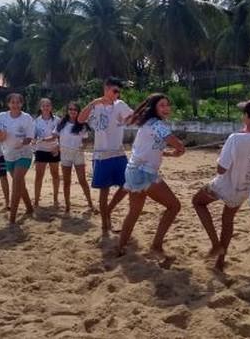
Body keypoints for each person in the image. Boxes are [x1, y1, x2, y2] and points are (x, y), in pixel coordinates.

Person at [192, 99, 250, 271]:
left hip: (225, 185)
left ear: (247, 116)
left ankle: (216, 244)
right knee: (227, 220)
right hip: (245, 188)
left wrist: (224, 152)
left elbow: (221, 169)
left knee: (197, 202)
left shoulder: (235, 138)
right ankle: (220, 262)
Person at [117, 94, 184, 256]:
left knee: (134, 212)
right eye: (162, 105)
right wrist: (180, 149)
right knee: (174, 206)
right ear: (154, 108)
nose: (166, 108)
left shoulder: (147, 124)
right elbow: (177, 144)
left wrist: (171, 153)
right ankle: (156, 245)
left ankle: (120, 247)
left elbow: (151, 148)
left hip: (133, 170)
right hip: (144, 172)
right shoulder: (158, 125)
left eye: (167, 105)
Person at [78, 77, 133, 233]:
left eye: (118, 92)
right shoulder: (95, 106)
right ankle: (104, 223)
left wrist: (130, 118)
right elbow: (80, 119)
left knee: (128, 184)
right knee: (104, 190)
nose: (117, 94)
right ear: (106, 89)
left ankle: (108, 210)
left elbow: (132, 117)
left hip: (118, 153)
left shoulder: (120, 105)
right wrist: (94, 102)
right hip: (101, 155)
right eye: (114, 91)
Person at [0, 93, 35, 224]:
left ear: (22, 104)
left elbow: (30, 137)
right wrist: (1, 135)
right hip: (8, 154)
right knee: (20, 184)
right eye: (12, 102)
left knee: (16, 182)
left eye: (18, 102)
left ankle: (12, 217)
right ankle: (29, 208)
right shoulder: (2, 117)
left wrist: (23, 142)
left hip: (24, 153)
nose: (15, 105)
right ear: (8, 104)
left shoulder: (26, 118)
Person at [53, 102, 96, 213]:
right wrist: (45, 141)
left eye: (75, 109)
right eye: (70, 109)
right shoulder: (61, 123)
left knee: (82, 180)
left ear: (78, 111)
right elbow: (55, 136)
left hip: (77, 154)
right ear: (67, 111)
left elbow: (85, 139)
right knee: (67, 182)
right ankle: (67, 205)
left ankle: (90, 203)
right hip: (65, 154)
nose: (72, 111)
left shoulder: (82, 124)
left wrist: (83, 147)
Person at [33, 98, 61, 208]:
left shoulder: (57, 120)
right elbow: (33, 136)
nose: (46, 108)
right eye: (43, 106)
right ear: (40, 107)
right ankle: (36, 200)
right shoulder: (36, 121)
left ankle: (55, 198)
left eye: (48, 105)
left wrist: (58, 147)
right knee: (39, 176)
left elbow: (58, 136)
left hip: (54, 150)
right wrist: (33, 140)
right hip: (40, 150)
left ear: (51, 107)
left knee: (55, 175)